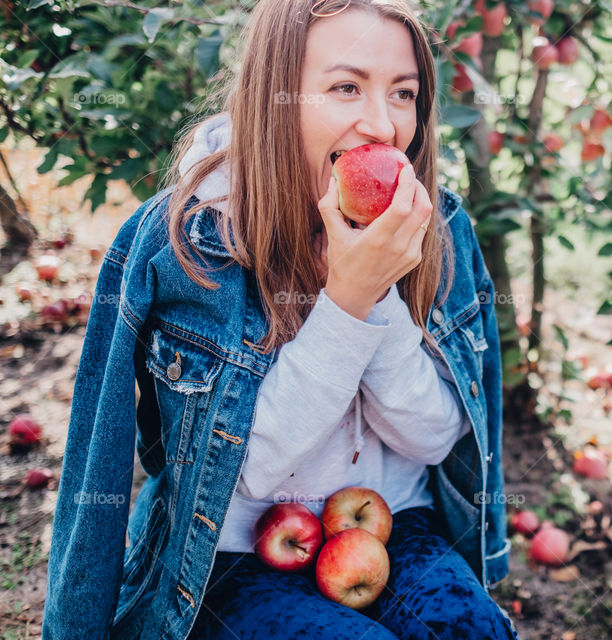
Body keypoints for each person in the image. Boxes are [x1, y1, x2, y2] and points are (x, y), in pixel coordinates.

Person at [41, 1, 517, 639]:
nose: (382, 125)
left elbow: (434, 440)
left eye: (402, 93)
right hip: (231, 553)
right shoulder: (187, 242)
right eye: (346, 87)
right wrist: (344, 302)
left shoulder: (440, 230)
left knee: (473, 631)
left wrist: (377, 290)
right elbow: (245, 472)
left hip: (393, 524)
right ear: (278, 95)